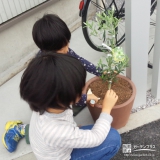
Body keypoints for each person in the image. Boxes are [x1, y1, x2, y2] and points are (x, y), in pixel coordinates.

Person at [2, 14, 104, 153]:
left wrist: (101, 72)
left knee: (75, 106)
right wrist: (84, 99)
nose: (67, 48)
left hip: (61, 96)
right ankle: (19, 130)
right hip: (49, 102)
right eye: (62, 47)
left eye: (67, 42)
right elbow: (50, 101)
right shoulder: (45, 70)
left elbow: (81, 61)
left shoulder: (64, 50)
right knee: (49, 132)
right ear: (47, 50)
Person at [22, 52, 120, 160]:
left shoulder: (45, 101)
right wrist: (106, 109)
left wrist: (85, 97)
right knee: (113, 139)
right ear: (67, 97)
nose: (84, 89)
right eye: (80, 88)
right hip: (63, 156)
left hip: (53, 146)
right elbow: (96, 138)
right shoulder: (56, 131)